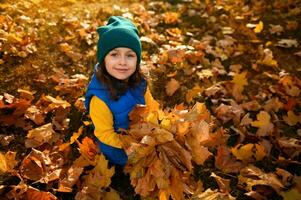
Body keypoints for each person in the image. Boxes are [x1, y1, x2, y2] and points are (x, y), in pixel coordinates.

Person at [85, 16, 156, 167]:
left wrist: (152, 127)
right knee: (138, 163)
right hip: (117, 144)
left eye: (130, 55)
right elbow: (104, 134)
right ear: (104, 59)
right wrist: (129, 144)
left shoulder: (140, 82)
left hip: (140, 133)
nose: (122, 62)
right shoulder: (100, 99)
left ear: (137, 60)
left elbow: (150, 107)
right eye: (114, 54)